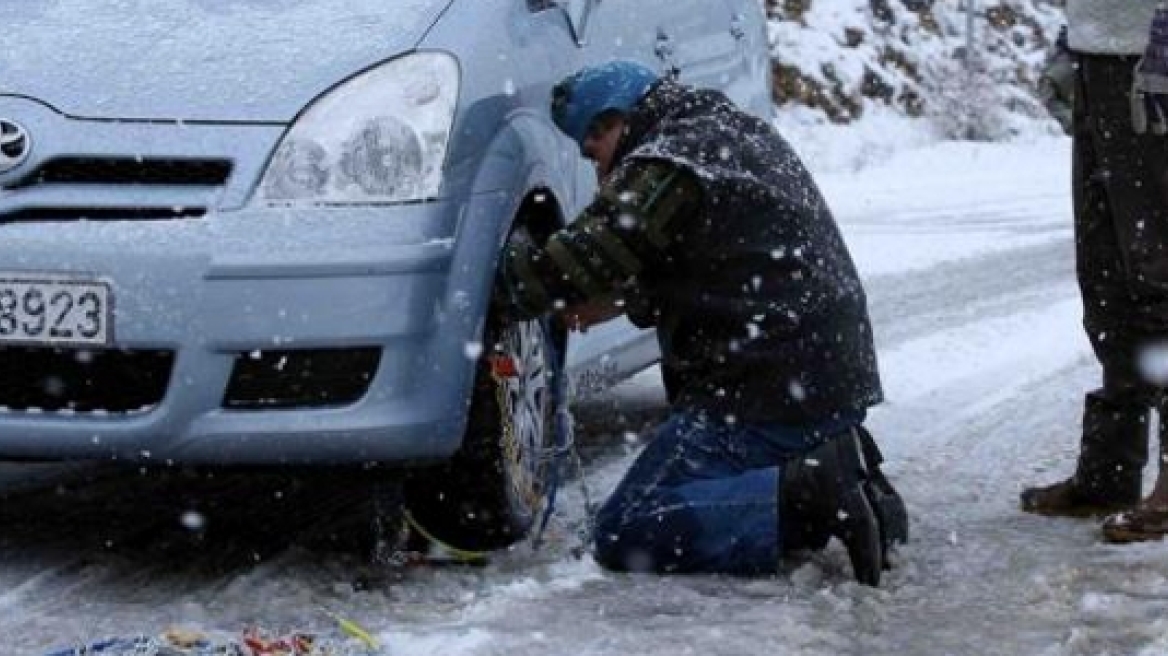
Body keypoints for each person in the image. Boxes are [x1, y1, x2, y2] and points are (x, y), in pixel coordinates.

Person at [497, 61, 907, 585]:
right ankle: (854, 478)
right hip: (822, 373)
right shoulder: (724, 131)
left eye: (593, 153)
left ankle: (808, 494)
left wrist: (493, 281)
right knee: (693, 490)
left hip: (759, 387)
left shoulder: (668, 159)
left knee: (628, 527)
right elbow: (720, 258)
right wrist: (625, 298)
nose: (600, 175)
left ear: (611, 121)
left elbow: (582, 258)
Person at [1021, 2, 1168, 543]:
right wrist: (1076, 37)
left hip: (1155, 55)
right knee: (1108, 277)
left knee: (1159, 271)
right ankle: (1110, 468)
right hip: (1100, 55)